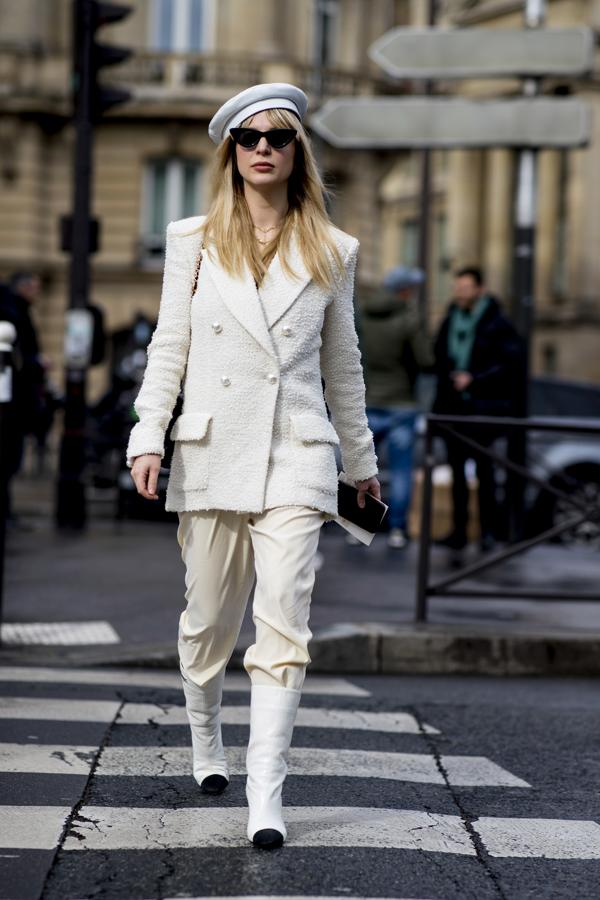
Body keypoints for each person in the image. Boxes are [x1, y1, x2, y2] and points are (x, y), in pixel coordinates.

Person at [125, 82, 380, 850]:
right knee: (207, 622)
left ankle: (266, 795)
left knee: (285, 624)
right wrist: (147, 433)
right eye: (248, 137)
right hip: (210, 448)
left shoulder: (334, 251)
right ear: (231, 152)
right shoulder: (192, 241)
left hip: (296, 453)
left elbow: (345, 368)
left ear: (298, 151)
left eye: (278, 136)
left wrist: (360, 463)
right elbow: (169, 345)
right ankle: (207, 741)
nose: (262, 147)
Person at [432, 266, 524, 553]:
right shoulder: (450, 320)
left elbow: (511, 364)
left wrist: (474, 378)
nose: (460, 292)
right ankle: (459, 531)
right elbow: (438, 356)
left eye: (465, 287)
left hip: (485, 407)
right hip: (454, 408)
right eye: (457, 287)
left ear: (479, 290)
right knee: (457, 472)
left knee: (485, 471)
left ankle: (487, 532)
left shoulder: (497, 322)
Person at [355, 265, 433, 549]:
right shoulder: (409, 318)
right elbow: (425, 359)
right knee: (400, 470)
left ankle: (357, 528)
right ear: (404, 291)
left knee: (360, 467)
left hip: (368, 398)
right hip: (401, 402)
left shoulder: (363, 314)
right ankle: (398, 530)